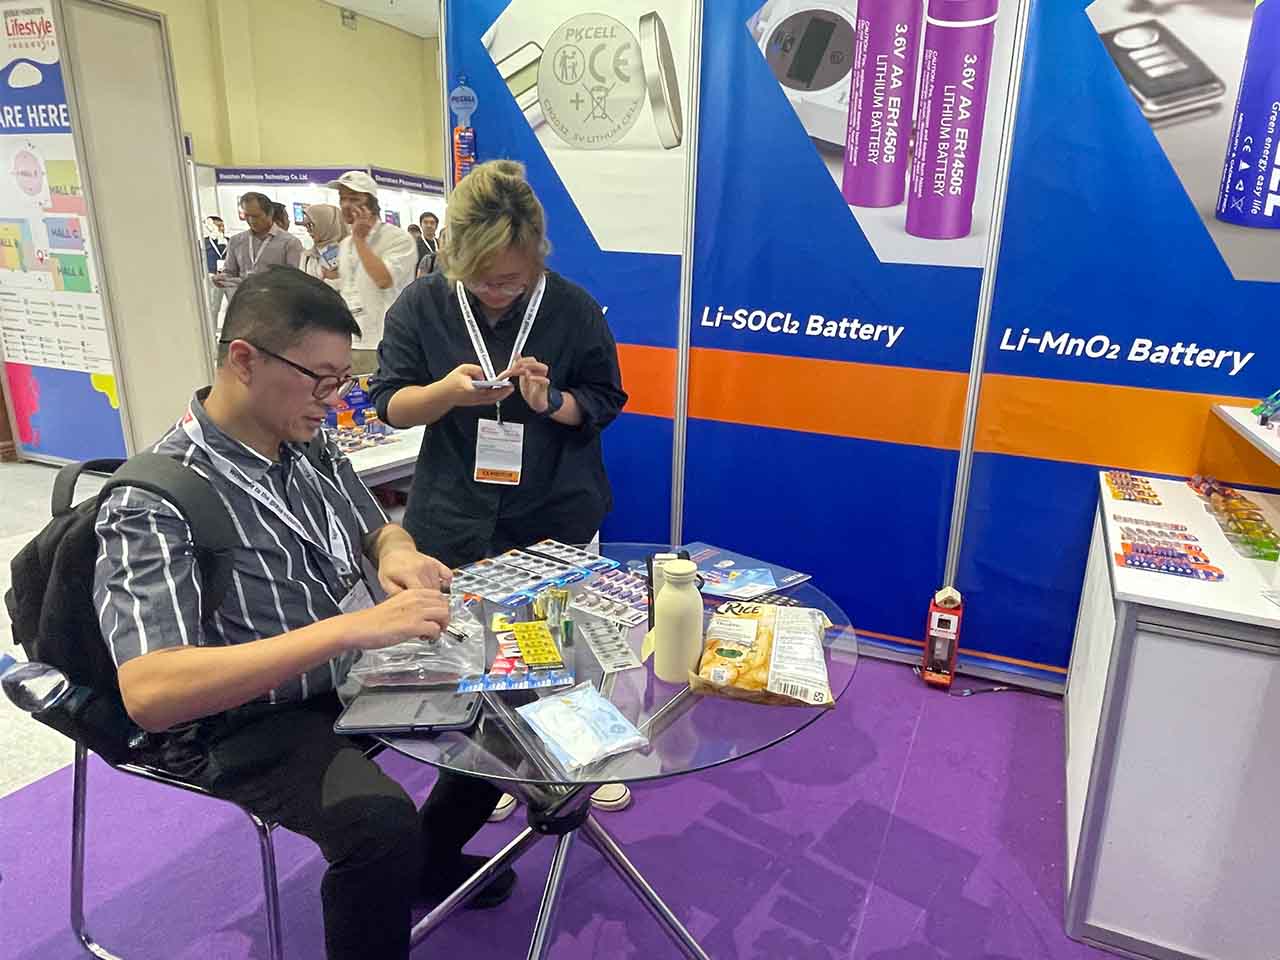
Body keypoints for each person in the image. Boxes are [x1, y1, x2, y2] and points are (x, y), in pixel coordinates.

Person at [93, 267, 515, 960]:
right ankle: (402, 868)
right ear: (244, 360)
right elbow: (151, 691)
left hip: (346, 668)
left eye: (343, 380)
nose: (335, 399)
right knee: (379, 827)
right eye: (320, 380)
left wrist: (398, 554)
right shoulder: (153, 498)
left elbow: (374, 527)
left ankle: (430, 863)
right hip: (244, 716)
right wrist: (348, 629)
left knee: (508, 707)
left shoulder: (306, 442)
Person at [368, 160, 632, 814]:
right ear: (453, 256)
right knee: (472, 649)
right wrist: (444, 393)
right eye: (482, 278)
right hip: (453, 508)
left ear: (538, 256)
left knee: (558, 641)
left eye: (513, 279)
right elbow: (389, 403)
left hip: (552, 504)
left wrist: (550, 402)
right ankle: (486, 769)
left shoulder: (571, 308)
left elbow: (604, 400)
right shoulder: (422, 305)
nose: (497, 291)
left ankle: (579, 752)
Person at [326, 171, 417, 376]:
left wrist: (360, 240)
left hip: (384, 340)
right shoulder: (345, 244)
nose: (346, 205)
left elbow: (384, 280)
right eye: (342, 198)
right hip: (350, 340)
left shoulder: (398, 239)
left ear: (372, 204)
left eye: (354, 199)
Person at [215, 192, 303, 290]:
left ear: (270, 214)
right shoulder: (236, 241)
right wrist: (222, 278)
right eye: (247, 216)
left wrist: (258, 282)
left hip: (275, 298)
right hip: (243, 297)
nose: (251, 221)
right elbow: (229, 272)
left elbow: (294, 280)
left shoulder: (290, 243)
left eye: (256, 216)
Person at [301, 203, 347, 289]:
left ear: (326, 224)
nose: (308, 230)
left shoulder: (350, 254)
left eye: (310, 225)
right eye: (306, 226)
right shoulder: (307, 256)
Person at [203, 216, 228, 330]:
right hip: (213, 277)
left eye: (223, 226)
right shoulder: (204, 243)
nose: (222, 228)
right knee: (214, 307)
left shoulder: (229, 241)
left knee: (236, 304)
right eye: (219, 226)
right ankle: (212, 331)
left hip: (228, 277)